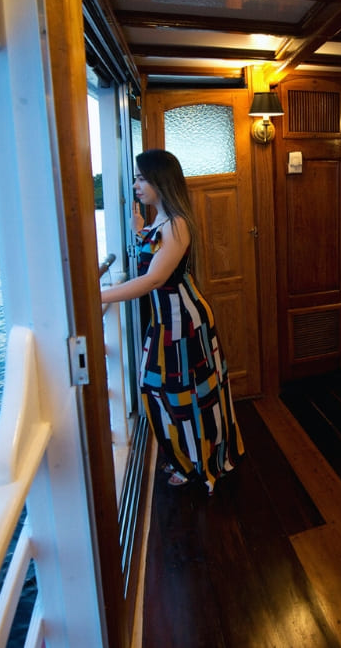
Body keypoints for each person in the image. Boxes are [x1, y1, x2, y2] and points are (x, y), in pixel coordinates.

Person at [101, 150, 244, 493]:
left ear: (161, 181)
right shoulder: (161, 221)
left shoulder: (177, 222)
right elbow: (154, 251)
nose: (136, 185)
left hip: (185, 321)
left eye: (142, 178)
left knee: (191, 394)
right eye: (135, 178)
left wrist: (99, 297)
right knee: (159, 389)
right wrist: (140, 230)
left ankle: (201, 464)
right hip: (167, 321)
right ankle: (187, 457)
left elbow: (153, 279)